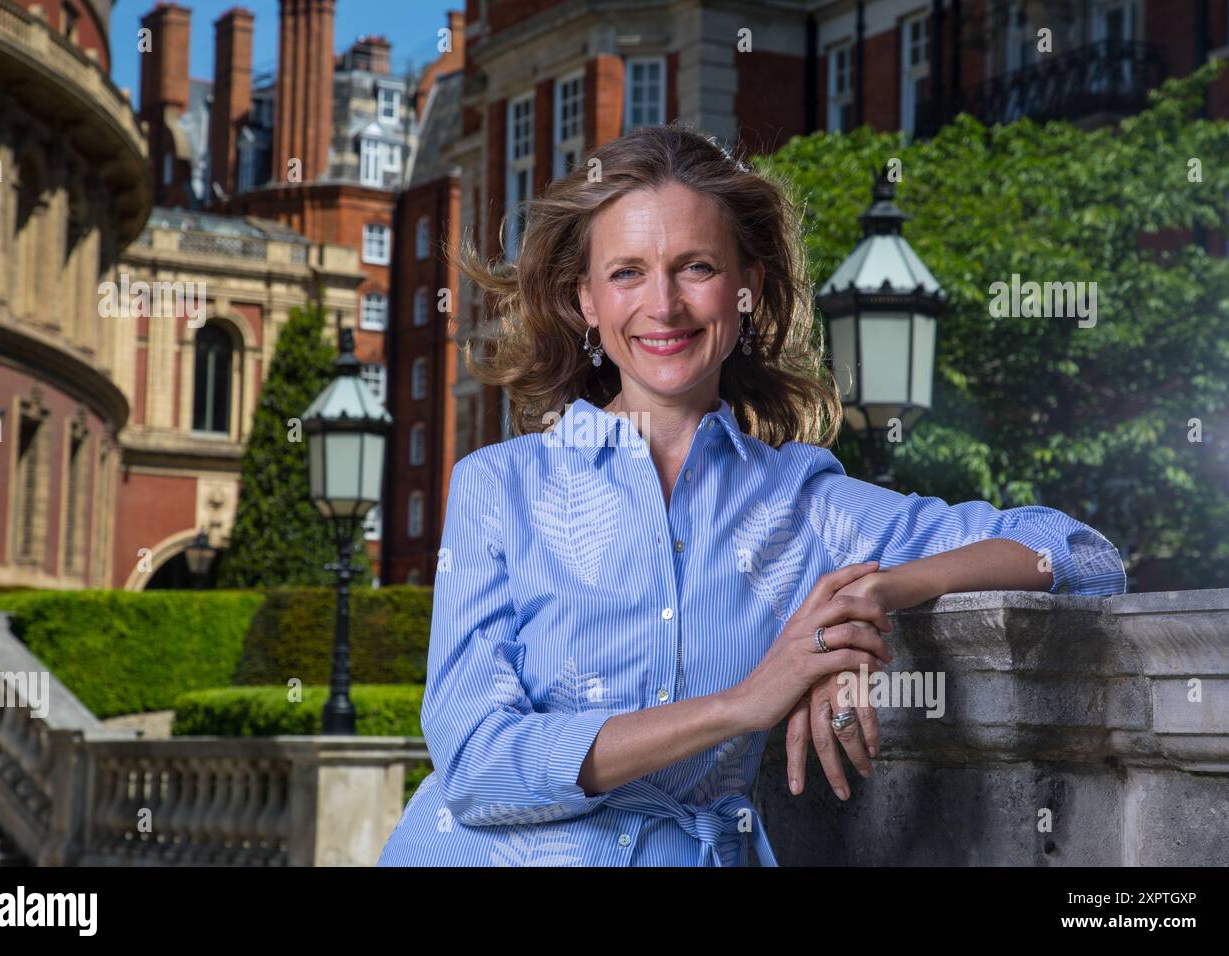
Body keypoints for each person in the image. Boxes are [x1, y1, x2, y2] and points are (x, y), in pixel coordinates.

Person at [375, 124, 1126, 867]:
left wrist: (866, 597)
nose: (663, 305)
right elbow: (476, 766)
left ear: (746, 289)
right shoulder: (498, 486)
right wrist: (746, 702)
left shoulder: (802, 501)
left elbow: (1077, 553)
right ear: (585, 304)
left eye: (695, 267)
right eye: (627, 272)